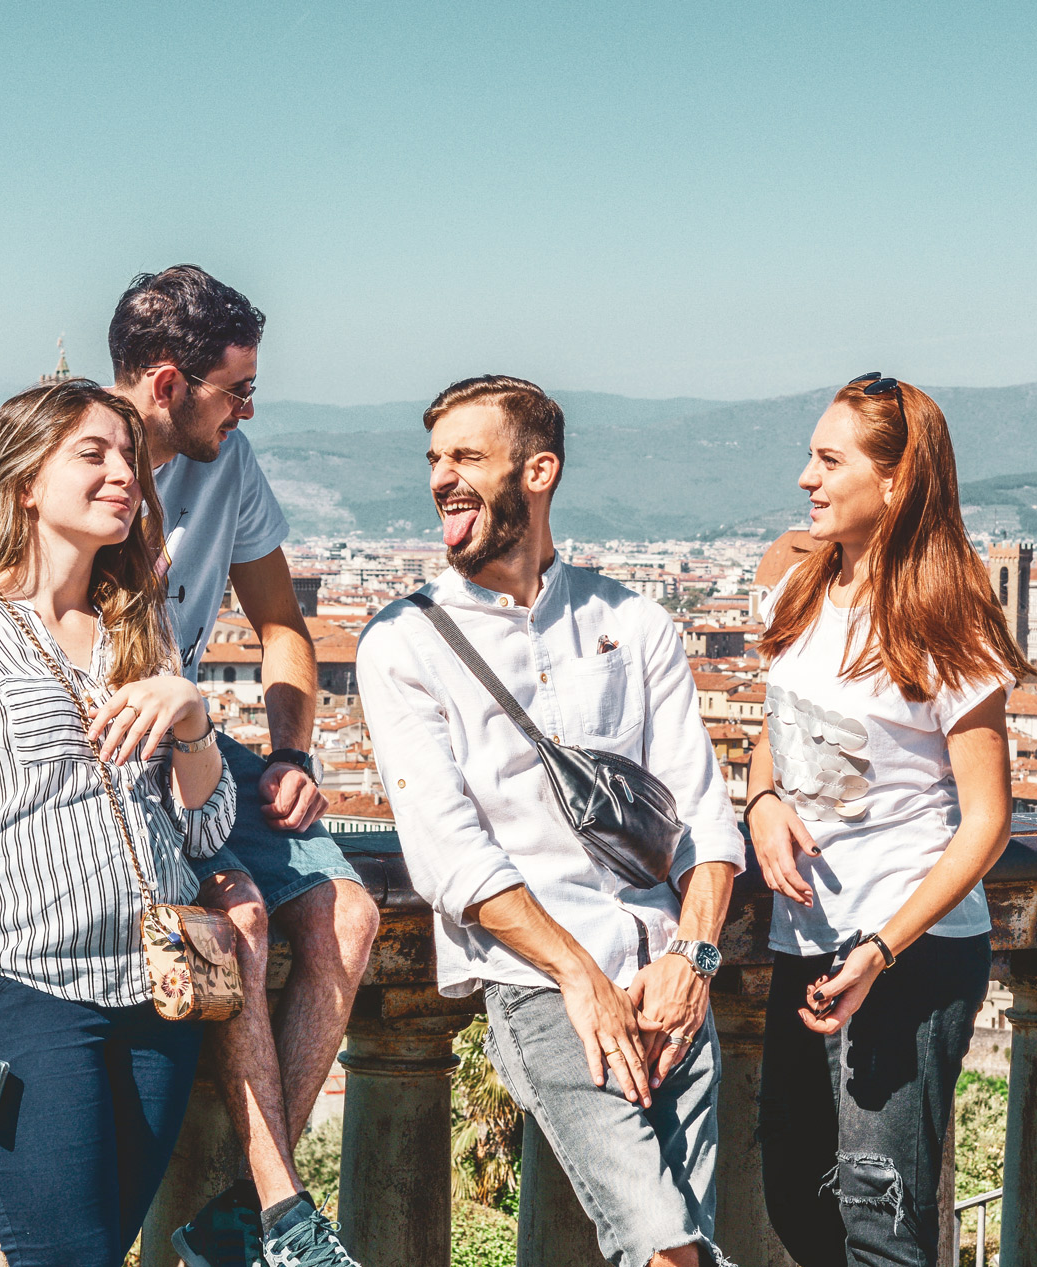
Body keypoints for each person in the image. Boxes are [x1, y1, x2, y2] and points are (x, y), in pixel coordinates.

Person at [0, 268, 377, 1266]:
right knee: (241, 919)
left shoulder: (232, 464)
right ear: (168, 384)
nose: (248, 410)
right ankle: (277, 1221)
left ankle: (264, 1204)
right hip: (81, 798)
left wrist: (293, 750)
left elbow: (283, 629)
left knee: (348, 911)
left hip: (190, 739)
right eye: (236, 391)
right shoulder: (46, 463)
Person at [356, 376, 744, 1267]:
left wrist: (692, 960)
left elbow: (702, 819)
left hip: (667, 983)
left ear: (538, 470)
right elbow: (450, 855)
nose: (441, 478)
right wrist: (577, 972)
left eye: (466, 457)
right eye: (434, 460)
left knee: (689, 1239)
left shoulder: (633, 621)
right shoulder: (402, 643)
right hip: (544, 986)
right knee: (666, 1247)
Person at [0, 379, 236, 1265]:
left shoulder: (137, 628)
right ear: (26, 481)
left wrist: (189, 714)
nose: (126, 473)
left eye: (128, 456)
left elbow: (204, 828)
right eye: (94, 453)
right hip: (19, 997)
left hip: (158, 1000)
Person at [749, 374, 1027, 1266]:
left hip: (910, 950)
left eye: (830, 460)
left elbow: (985, 821)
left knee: (879, 1221)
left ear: (897, 481)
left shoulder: (947, 616)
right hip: (807, 939)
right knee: (795, 1198)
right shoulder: (797, 585)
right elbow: (774, 730)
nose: (806, 478)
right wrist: (760, 803)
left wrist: (882, 947)